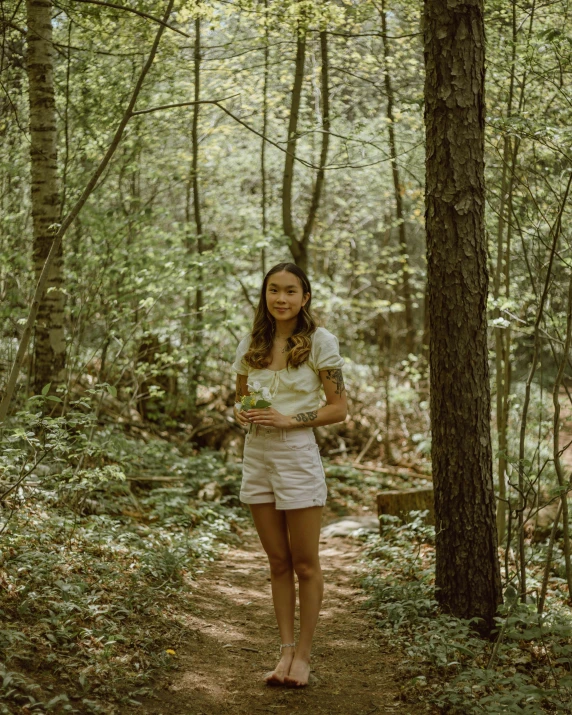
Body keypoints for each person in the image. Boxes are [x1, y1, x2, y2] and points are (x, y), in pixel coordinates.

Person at [231, 261, 348, 688]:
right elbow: (239, 399)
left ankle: (304, 655)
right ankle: (283, 652)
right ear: (265, 295)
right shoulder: (250, 342)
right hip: (256, 453)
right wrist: (243, 413)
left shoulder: (320, 342)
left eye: (290, 291)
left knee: (305, 563)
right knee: (277, 561)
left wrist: (289, 419)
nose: (281, 299)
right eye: (273, 290)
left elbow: (338, 409)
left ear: (305, 297)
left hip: (297, 453)